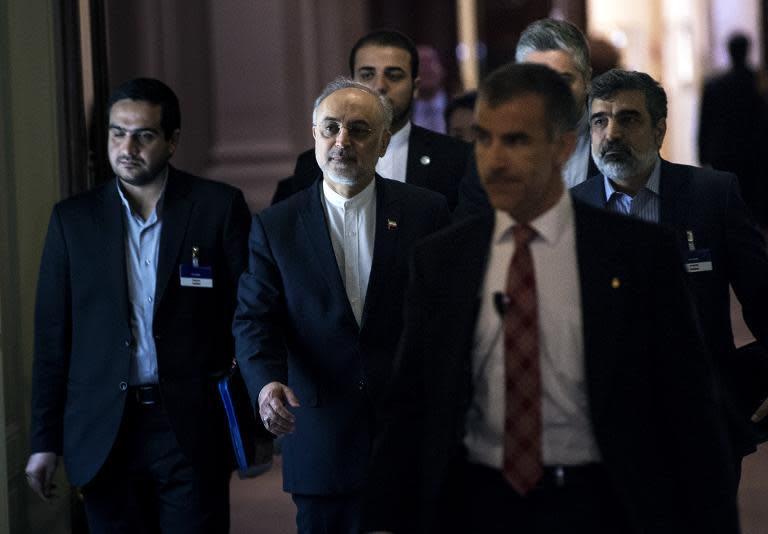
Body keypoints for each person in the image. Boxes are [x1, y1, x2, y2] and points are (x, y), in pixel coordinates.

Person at [362, 63, 739, 534]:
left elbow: (688, 409)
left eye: (516, 140)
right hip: (478, 505)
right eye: (483, 139)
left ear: (562, 147)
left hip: (599, 505)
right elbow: (411, 406)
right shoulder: (443, 261)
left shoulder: (638, 254)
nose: (494, 160)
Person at [25, 78, 257, 532]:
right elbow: (53, 338)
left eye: (144, 135)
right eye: (117, 133)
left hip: (190, 425)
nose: (126, 146)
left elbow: (247, 317)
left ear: (172, 141)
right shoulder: (73, 221)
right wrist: (43, 441)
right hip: (104, 431)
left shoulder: (217, 207)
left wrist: (255, 423)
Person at [234, 78, 450, 534]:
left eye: (358, 130)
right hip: (320, 434)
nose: (341, 142)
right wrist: (267, 382)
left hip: (406, 433)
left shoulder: (425, 212)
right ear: (313, 134)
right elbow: (256, 318)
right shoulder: (277, 226)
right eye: (330, 128)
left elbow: (444, 314)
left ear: (384, 141)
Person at [572, 68, 768, 466]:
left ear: (659, 130)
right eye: (600, 121)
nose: (611, 134)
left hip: (702, 423)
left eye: (628, 119)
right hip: (603, 432)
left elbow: (763, 300)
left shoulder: (713, 196)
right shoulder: (569, 209)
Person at [271, 29, 471, 210]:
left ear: (415, 87)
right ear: (351, 83)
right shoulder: (311, 164)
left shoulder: (454, 158)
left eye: (394, 76)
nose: (380, 86)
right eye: (367, 75)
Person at [454, 18, 597, 218]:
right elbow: (471, 233)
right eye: (537, 82)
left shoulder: (616, 141)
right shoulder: (489, 153)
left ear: (587, 79)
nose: (551, 95)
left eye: (563, 81)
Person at [698, 32, 768, 224]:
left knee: (728, 201)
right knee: (752, 203)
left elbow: (705, 123)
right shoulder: (758, 83)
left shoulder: (715, 85)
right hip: (754, 153)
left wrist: (703, 154)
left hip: (724, 153)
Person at [412, 44, 448, 134]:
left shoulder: (458, 107)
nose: (426, 68)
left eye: (431, 61)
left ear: (442, 69)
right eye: (420, 63)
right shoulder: (398, 116)